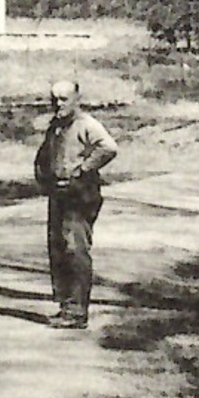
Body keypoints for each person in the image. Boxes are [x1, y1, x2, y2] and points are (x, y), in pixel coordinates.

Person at [33, 80, 118, 329]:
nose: (58, 104)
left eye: (63, 99)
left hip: (80, 195)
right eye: (54, 99)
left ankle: (78, 311)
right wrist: (43, 176)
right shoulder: (56, 126)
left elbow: (109, 148)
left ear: (76, 99)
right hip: (58, 194)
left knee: (75, 248)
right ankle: (66, 305)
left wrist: (83, 169)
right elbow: (46, 154)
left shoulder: (86, 125)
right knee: (58, 247)